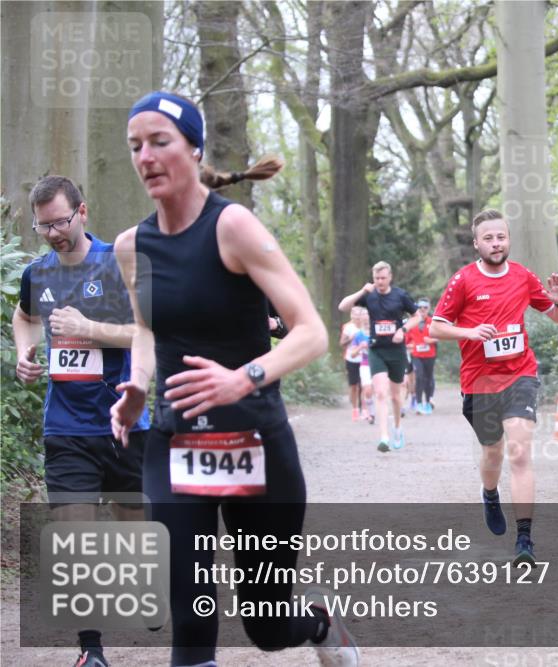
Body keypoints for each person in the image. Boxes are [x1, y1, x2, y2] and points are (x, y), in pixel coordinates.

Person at [109, 91, 356, 667]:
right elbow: (145, 328)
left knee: (267, 627)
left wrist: (244, 379)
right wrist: (138, 385)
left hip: (255, 444)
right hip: (175, 444)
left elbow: (311, 331)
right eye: (135, 146)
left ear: (195, 149)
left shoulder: (233, 227)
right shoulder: (131, 246)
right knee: (191, 622)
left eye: (160, 142)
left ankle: (318, 625)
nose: (146, 156)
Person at [13, 175, 151, 667]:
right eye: (43, 226)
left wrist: (88, 328)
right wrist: (24, 353)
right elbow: (24, 316)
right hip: (65, 427)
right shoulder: (37, 273)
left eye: (60, 222)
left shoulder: (118, 263)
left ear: (83, 212)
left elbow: (147, 333)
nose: (52, 233)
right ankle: (91, 651)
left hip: (123, 422)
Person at [429, 209, 558, 566]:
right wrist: (470, 332)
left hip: (520, 374)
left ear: (509, 240)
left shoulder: (522, 276)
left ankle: (524, 540)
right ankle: (490, 492)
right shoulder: (463, 281)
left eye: (501, 237)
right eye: (488, 238)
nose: (496, 243)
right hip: (479, 381)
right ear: (477, 244)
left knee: (519, 453)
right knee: (493, 453)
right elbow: (435, 327)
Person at [338, 262, 419, 452]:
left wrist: (402, 330)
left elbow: (417, 316)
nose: (380, 282)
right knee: (381, 393)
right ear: (373, 279)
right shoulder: (369, 295)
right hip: (376, 350)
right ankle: (384, 437)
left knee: (396, 396)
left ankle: (397, 427)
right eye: (376, 278)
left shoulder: (400, 295)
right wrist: (362, 291)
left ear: (390, 277)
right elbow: (343, 306)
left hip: (396, 350)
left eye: (383, 278)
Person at [405, 299, 438, 415]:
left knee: (428, 378)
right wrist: (411, 345)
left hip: (430, 355)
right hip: (416, 355)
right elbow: (406, 341)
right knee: (419, 376)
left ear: (428, 309)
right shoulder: (412, 322)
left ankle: (428, 403)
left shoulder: (433, 322)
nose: (422, 309)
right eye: (420, 307)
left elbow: (439, 336)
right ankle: (419, 403)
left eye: (425, 307)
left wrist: (431, 340)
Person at [339, 307, 365, 420]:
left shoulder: (366, 326)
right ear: (351, 315)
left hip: (365, 359)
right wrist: (350, 339)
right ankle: (355, 409)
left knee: (364, 385)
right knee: (354, 385)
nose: (357, 316)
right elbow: (342, 343)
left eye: (359, 314)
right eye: (355, 314)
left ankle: (363, 408)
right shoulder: (348, 327)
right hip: (351, 359)